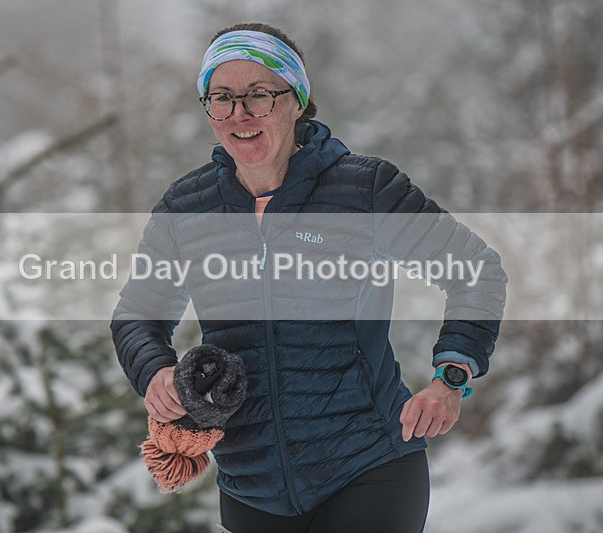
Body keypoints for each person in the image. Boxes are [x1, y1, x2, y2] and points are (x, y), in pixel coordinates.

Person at [111, 22, 507, 533]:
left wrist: (451, 377)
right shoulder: (186, 209)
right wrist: (155, 373)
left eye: (259, 95)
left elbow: (475, 271)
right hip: (251, 484)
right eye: (222, 97)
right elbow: (136, 316)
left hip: (369, 465)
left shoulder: (363, 190)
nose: (240, 114)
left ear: (297, 100)